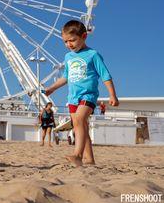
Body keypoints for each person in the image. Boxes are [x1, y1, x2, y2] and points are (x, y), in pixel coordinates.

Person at [44, 20, 119, 167]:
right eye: (65, 41)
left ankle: (78, 155)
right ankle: (90, 160)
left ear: (84, 36)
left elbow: (105, 75)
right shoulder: (68, 57)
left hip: (88, 95)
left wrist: (112, 95)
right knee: (81, 126)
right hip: (72, 98)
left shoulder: (93, 55)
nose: (69, 44)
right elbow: (65, 77)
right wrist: (51, 88)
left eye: (72, 40)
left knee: (78, 120)